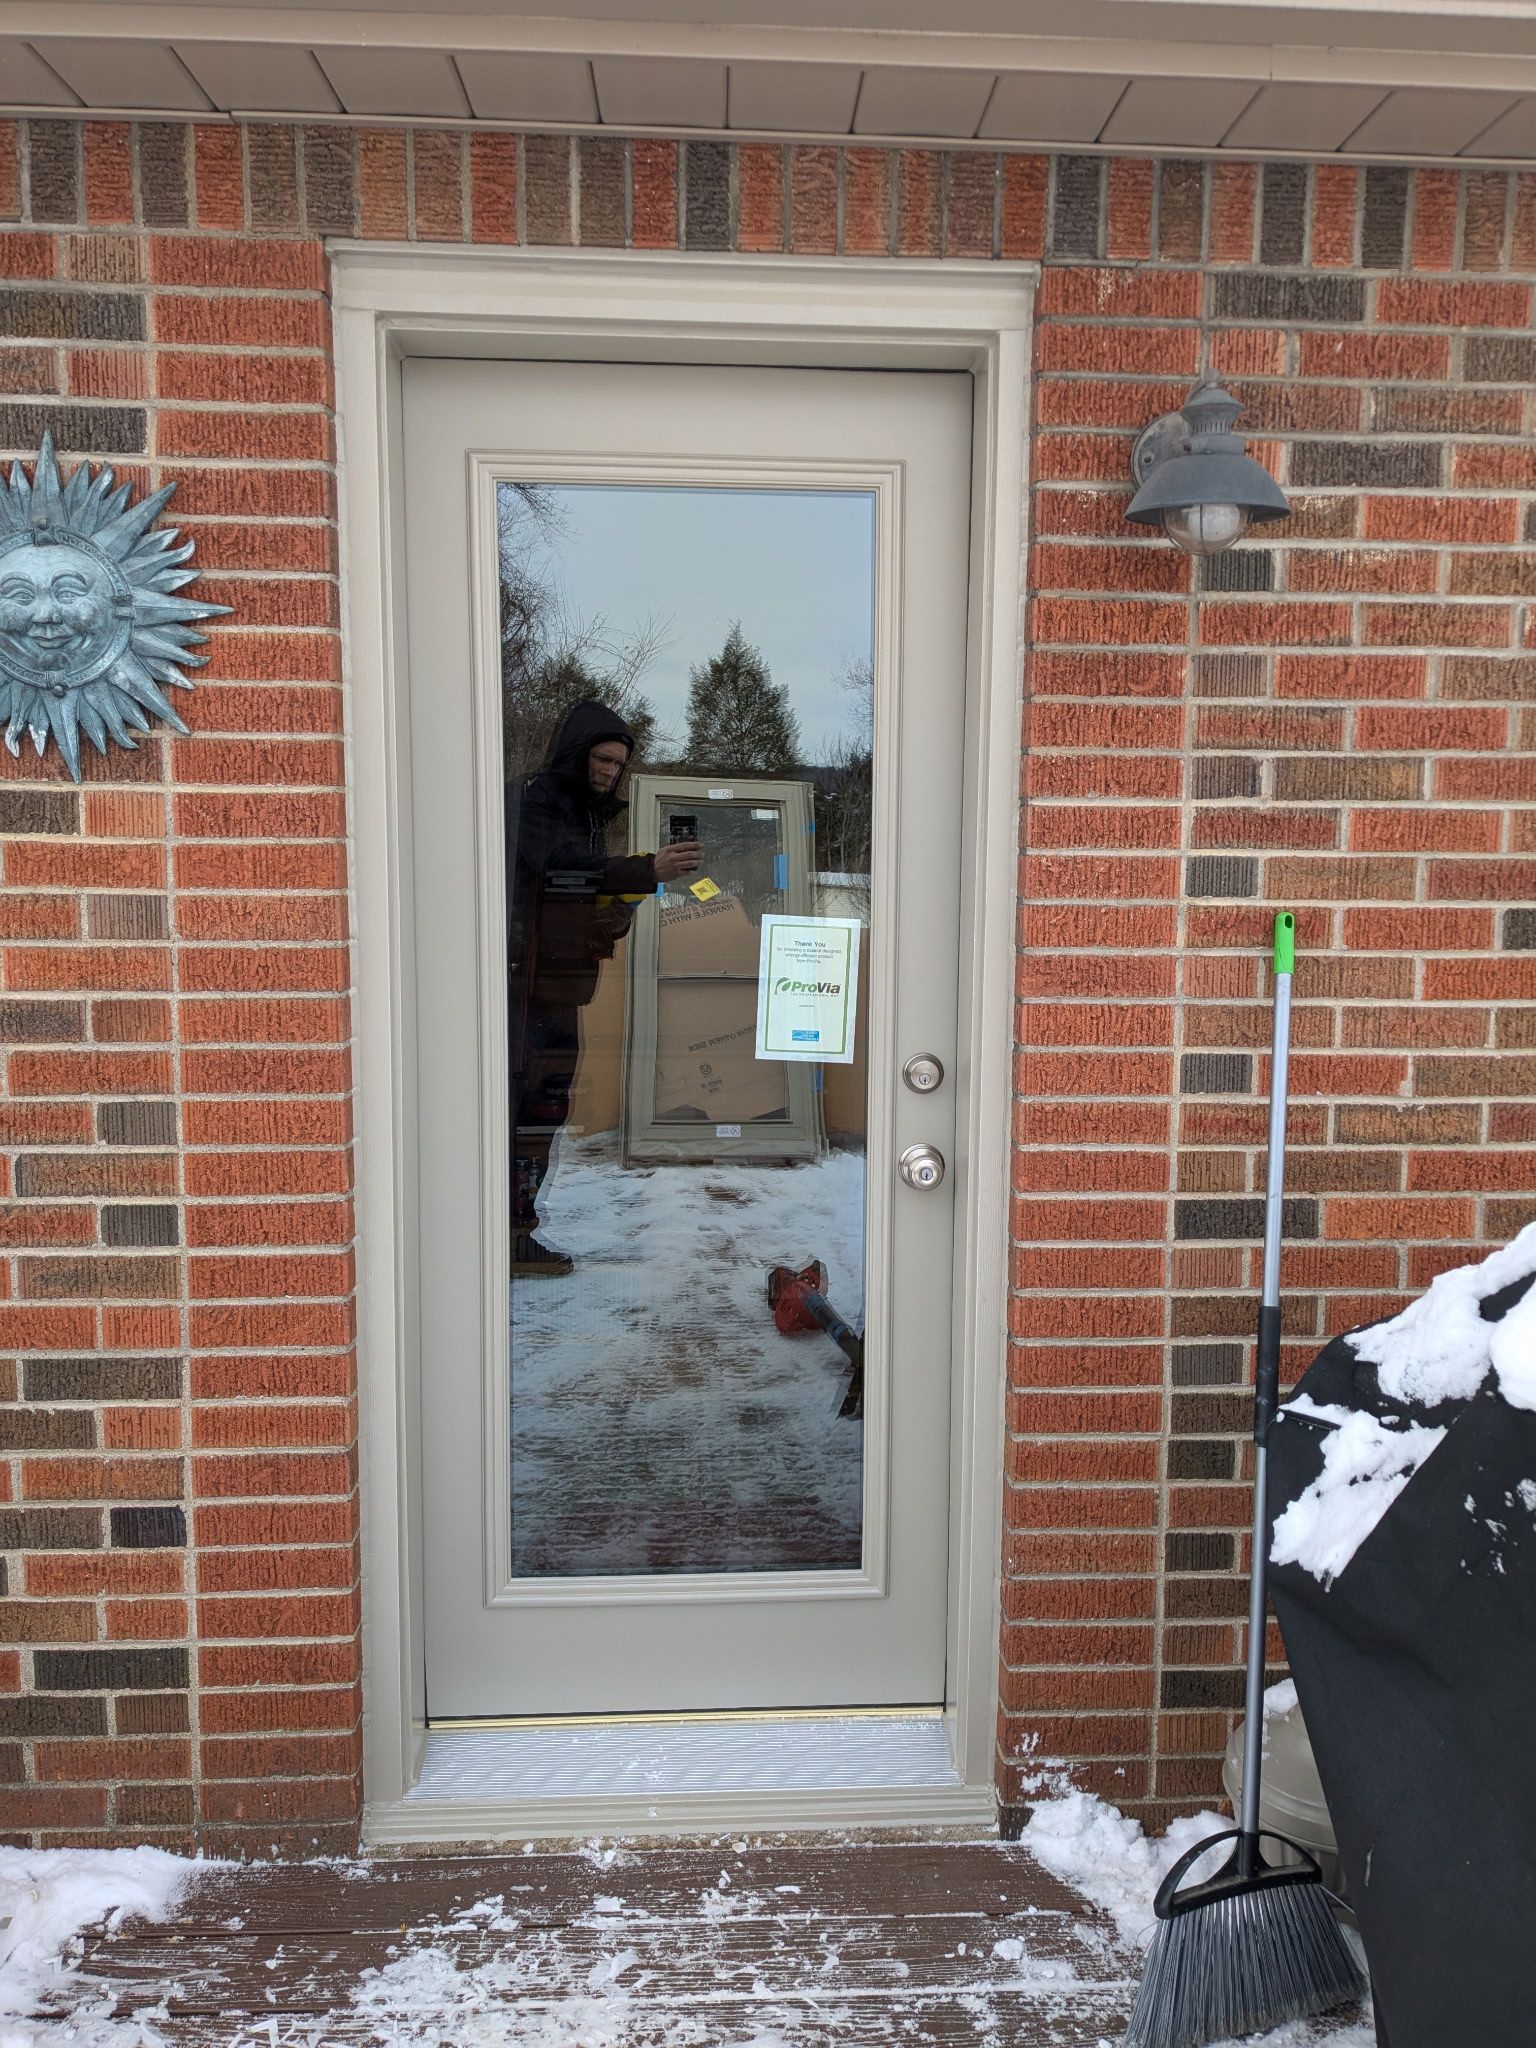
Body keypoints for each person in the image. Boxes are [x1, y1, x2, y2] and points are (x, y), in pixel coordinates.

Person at [506, 699, 701, 1274]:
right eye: (603, 758)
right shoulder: (538, 798)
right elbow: (560, 871)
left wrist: (617, 903)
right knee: (522, 1112)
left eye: (619, 764)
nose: (610, 772)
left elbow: (574, 890)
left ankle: (516, 1230)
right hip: (522, 987)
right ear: (577, 751)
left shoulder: (586, 813)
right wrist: (645, 871)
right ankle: (501, 1235)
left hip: (561, 985)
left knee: (545, 1109)